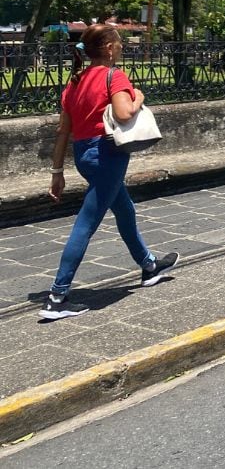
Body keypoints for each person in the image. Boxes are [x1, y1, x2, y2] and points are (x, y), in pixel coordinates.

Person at [41, 24, 178, 320]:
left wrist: (57, 172)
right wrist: (138, 97)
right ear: (108, 48)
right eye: (119, 44)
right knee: (86, 223)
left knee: (124, 209)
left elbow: (63, 132)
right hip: (107, 156)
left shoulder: (74, 83)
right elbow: (124, 113)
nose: (122, 48)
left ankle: (149, 265)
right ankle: (57, 296)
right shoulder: (113, 76)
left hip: (83, 155)